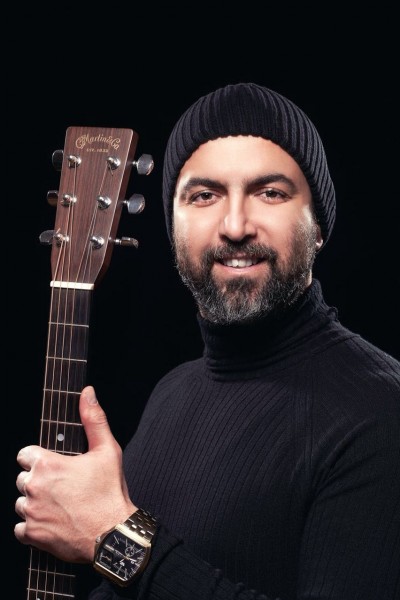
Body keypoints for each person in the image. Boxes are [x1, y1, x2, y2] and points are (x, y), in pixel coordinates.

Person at [15, 83, 400, 600]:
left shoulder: (381, 411)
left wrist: (115, 538)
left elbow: (119, 546)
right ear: (173, 225)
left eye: (270, 193)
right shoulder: (171, 393)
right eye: (204, 196)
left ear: (318, 227)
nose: (235, 226)